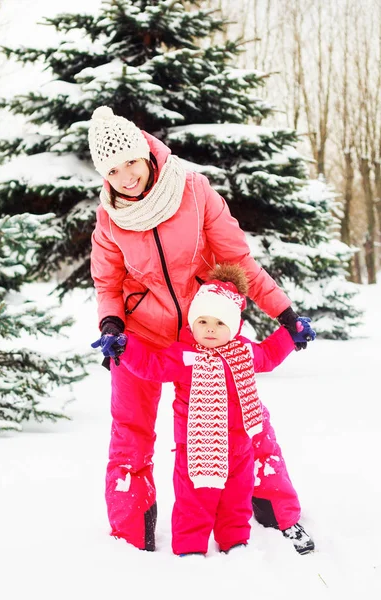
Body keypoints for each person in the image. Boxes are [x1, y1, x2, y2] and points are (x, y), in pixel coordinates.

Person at [88, 105, 316, 554]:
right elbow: (107, 282)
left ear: (145, 153)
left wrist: (284, 314)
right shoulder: (109, 217)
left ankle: (275, 508)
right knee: (129, 430)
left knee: (248, 422)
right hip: (142, 334)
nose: (125, 176)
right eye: (112, 169)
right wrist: (112, 324)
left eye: (130, 161)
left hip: (208, 327)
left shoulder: (193, 190)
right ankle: (129, 535)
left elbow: (239, 261)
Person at [97, 263, 303, 556]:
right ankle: (190, 549)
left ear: (234, 327)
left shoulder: (243, 352)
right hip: (195, 449)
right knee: (193, 501)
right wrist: (124, 347)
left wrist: (291, 335)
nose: (210, 329)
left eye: (220, 324)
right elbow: (151, 366)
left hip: (239, 448)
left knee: (236, 500)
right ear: (192, 322)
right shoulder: (184, 356)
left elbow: (269, 354)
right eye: (203, 321)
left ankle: (235, 544)